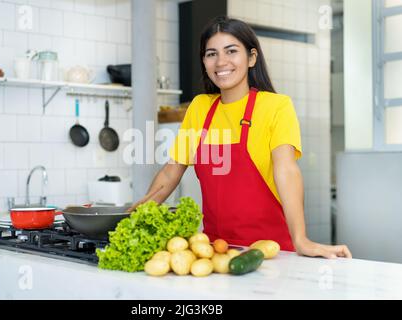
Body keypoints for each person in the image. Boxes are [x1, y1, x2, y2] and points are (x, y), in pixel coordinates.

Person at [131, 16, 351, 259]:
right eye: (211, 53)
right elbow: (170, 172)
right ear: (204, 61)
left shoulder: (276, 106)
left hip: (272, 254)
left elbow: (286, 170)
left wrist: (301, 239)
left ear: (252, 57)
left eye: (231, 51)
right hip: (215, 253)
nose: (221, 61)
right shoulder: (200, 108)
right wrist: (139, 215)